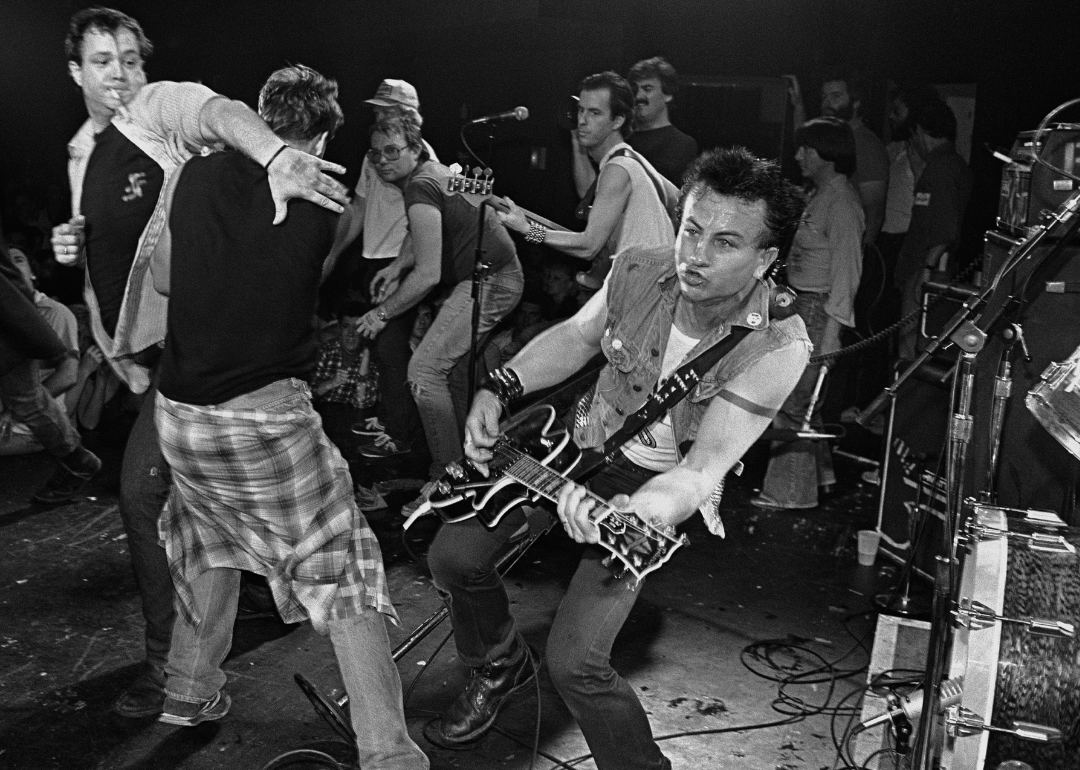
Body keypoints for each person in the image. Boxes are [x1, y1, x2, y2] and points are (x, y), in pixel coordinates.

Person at [422, 147, 810, 769]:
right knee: (453, 557)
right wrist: (501, 386)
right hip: (581, 441)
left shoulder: (778, 346)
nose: (695, 255)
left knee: (576, 662)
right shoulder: (638, 269)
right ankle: (497, 666)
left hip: (656, 481)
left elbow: (702, 469)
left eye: (725, 242)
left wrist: (637, 508)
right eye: (691, 230)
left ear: (766, 259)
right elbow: (578, 336)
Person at [49, 7, 350, 720]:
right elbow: (112, 257)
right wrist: (82, 267)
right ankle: (233, 625)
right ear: (75, 72)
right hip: (152, 355)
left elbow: (215, 111)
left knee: (146, 494)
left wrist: (276, 156)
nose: (119, 72)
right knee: (199, 501)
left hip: (193, 353)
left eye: (129, 57)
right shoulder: (82, 151)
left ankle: (171, 672)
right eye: (101, 60)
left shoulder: (161, 109)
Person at [147, 64, 428, 769]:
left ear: (263, 119)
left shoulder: (195, 174)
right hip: (262, 417)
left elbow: (163, 278)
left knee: (209, 531)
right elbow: (317, 269)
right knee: (345, 569)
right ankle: (390, 755)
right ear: (327, 132)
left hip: (180, 413)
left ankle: (188, 689)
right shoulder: (335, 203)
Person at [354, 115, 523, 512]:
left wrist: (381, 314)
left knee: (424, 371)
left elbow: (429, 274)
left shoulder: (422, 185)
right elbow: (424, 230)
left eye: (392, 150)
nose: (382, 160)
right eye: (375, 153)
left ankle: (447, 480)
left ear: (415, 149)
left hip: (493, 280)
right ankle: (473, 467)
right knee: (454, 376)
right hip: (490, 277)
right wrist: (396, 268)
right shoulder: (433, 175)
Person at [753, 118, 865, 511]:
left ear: (829, 155)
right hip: (799, 305)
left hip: (818, 310)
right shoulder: (820, 195)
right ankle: (822, 479)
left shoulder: (843, 204)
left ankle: (789, 494)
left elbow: (847, 275)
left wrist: (833, 333)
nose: (799, 156)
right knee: (804, 399)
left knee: (793, 400)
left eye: (808, 149)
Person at [326, 80, 438, 460]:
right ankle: (390, 419)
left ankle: (401, 436)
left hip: (404, 258)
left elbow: (422, 223)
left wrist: (400, 264)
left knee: (393, 348)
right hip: (376, 256)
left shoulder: (419, 158)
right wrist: (335, 252)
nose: (378, 115)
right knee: (382, 347)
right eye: (376, 110)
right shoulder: (373, 154)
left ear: (408, 115)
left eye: (386, 110)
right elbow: (357, 208)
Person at [532, 71, 678, 289]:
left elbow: (589, 245)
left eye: (594, 113)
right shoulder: (633, 161)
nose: (582, 120)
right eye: (580, 110)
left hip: (640, 290)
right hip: (646, 285)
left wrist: (529, 232)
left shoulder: (618, 169)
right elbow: (590, 193)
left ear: (618, 120)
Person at [0, 226, 100, 486]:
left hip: (30, 428)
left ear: (32, 273)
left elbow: (67, 375)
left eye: (18, 259)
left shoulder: (54, 312)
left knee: (26, 397)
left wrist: (8, 414)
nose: (12, 263)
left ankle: (75, 456)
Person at [895, 97, 972, 361]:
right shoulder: (951, 164)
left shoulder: (941, 168)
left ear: (920, 130)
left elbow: (945, 229)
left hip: (926, 271)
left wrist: (926, 271)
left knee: (911, 347)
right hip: (930, 269)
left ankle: (903, 401)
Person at [821, 70, 889, 244]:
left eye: (836, 96)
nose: (828, 103)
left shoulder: (867, 145)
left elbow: (874, 210)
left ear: (856, 102)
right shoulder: (830, 138)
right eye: (824, 97)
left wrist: (861, 255)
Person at [312, 300, 378, 457]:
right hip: (323, 421)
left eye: (357, 328)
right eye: (346, 327)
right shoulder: (326, 351)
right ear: (339, 329)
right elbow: (306, 395)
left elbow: (362, 403)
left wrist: (366, 356)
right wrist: (330, 383)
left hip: (353, 423)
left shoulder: (371, 359)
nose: (351, 334)